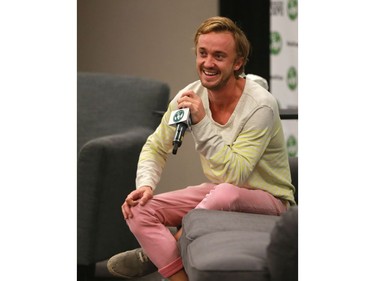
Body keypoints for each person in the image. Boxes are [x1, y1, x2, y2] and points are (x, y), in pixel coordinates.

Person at [107, 16, 296, 281]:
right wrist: (146, 185)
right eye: (203, 53)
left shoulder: (261, 105)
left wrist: (202, 122)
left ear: (237, 62)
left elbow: (236, 174)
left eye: (219, 56)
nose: (208, 63)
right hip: (218, 193)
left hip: (269, 198)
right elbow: (155, 146)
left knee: (226, 192)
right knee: (138, 209)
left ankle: (159, 252)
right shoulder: (188, 96)